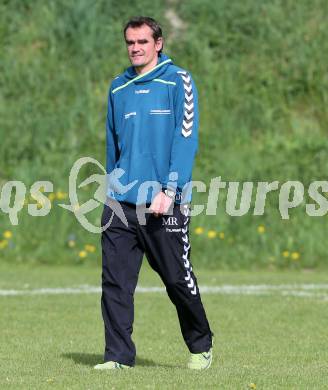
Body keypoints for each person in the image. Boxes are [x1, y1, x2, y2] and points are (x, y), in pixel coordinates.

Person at [94, 16, 213, 371]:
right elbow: (112, 146)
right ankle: (118, 357)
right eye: (130, 42)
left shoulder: (179, 81)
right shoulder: (118, 88)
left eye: (142, 42)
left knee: (177, 278)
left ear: (158, 44)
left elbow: (185, 138)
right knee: (115, 283)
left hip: (164, 201)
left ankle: (201, 344)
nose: (135, 48)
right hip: (120, 202)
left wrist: (171, 190)